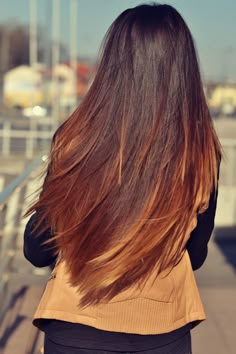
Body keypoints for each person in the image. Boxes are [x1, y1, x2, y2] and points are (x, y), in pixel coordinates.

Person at [23, 3, 221, 354]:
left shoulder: (76, 141)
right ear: (183, 69)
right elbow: (197, 253)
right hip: (164, 333)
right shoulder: (201, 152)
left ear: (113, 65)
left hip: (75, 327)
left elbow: (37, 250)